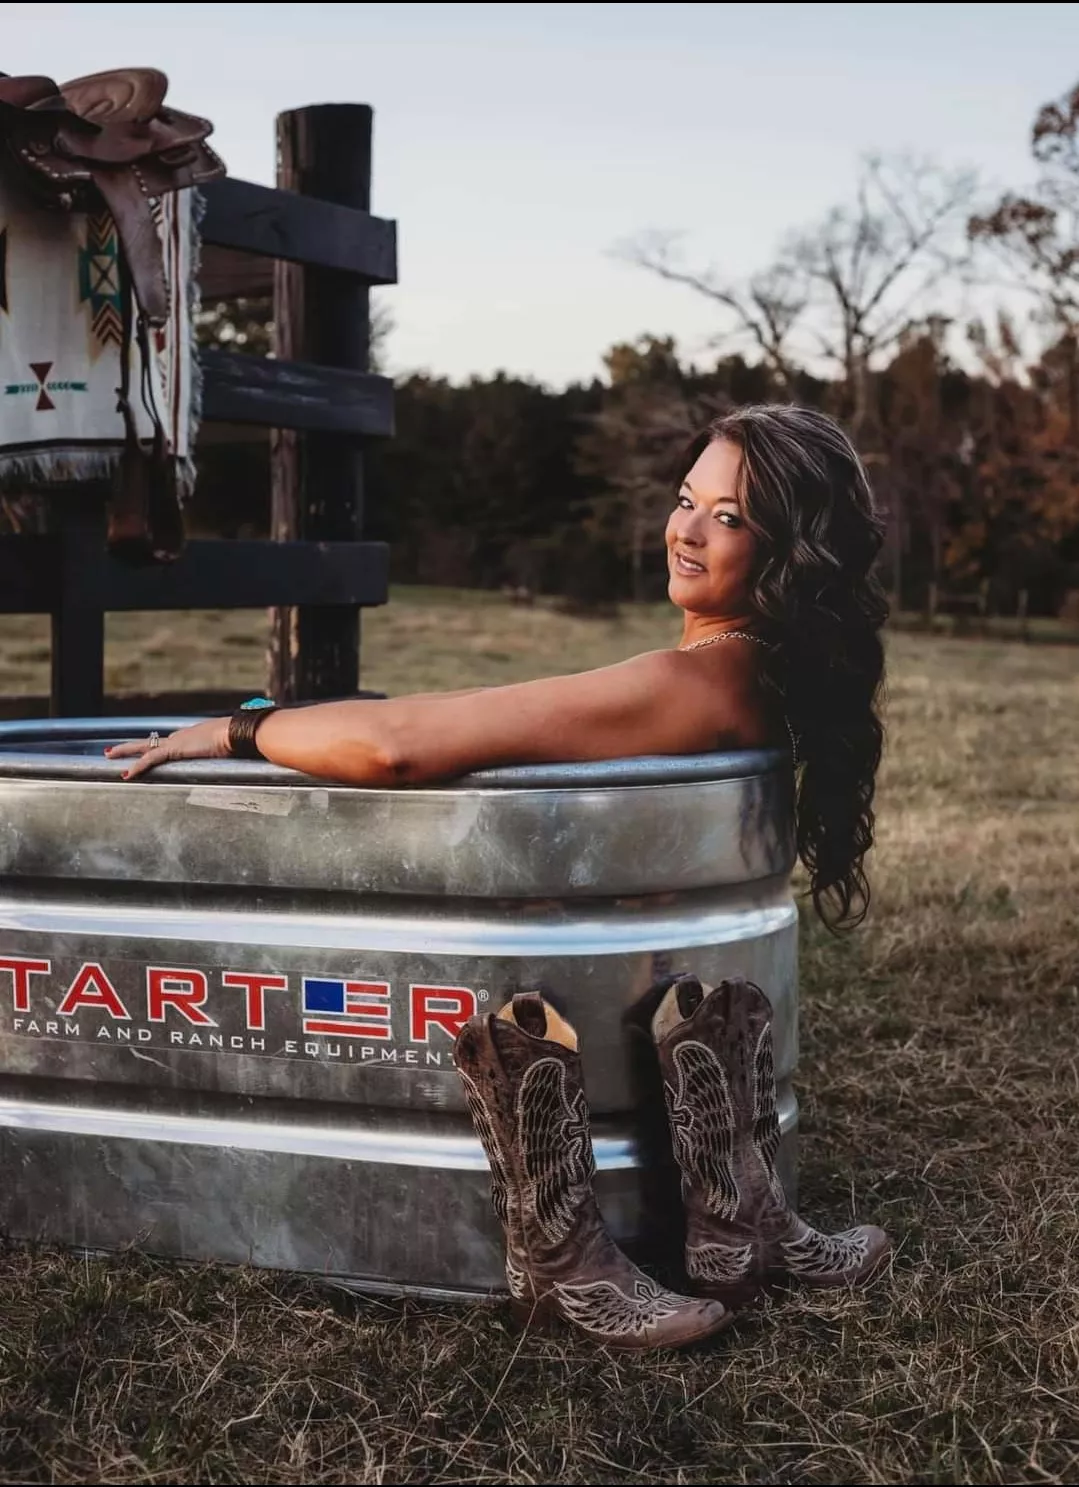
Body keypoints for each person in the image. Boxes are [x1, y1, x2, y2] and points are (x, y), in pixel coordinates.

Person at [107, 404, 892, 1349]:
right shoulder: (770, 672)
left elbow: (394, 749)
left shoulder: (705, 680)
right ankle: (742, 1232)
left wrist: (240, 727)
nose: (685, 529)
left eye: (729, 517)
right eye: (687, 500)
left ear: (789, 551)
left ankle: (635, 1248)